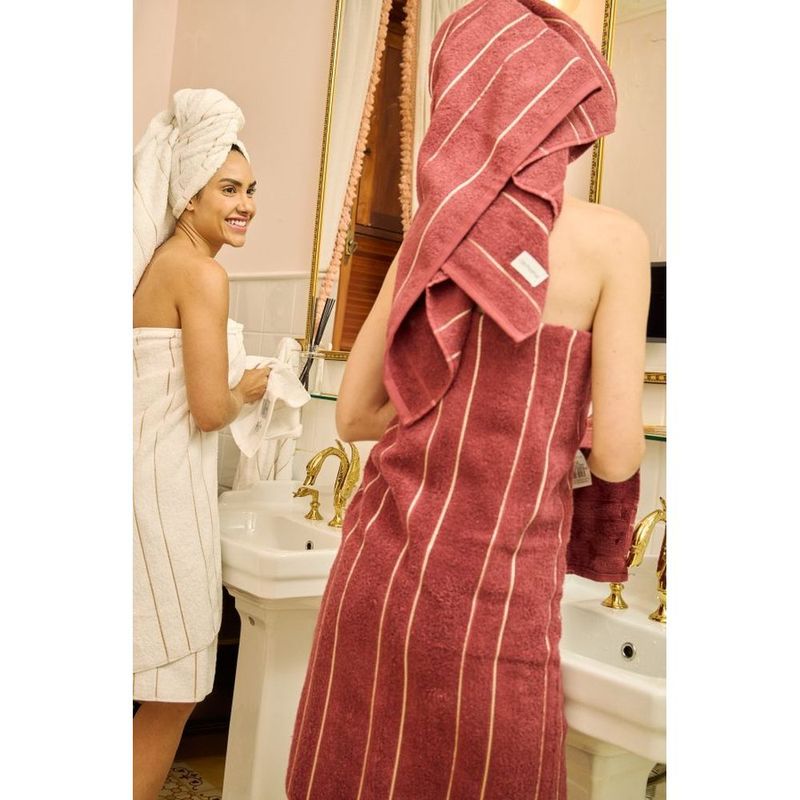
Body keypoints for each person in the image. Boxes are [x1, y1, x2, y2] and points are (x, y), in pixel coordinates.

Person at [285, 1, 648, 797]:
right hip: (497, 598)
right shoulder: (616, 243)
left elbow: (354, 415)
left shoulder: (433, 235)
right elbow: (618, 456)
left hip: (378, 582)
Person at [132, 88, 269, 800]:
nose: (245, 204)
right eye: (228, 189)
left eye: (250, 190)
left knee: (153, 686)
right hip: (164, 498)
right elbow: (211, 409)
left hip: (139, 484)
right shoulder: (203, 273)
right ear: (188, 195)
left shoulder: (156, 265)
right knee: (177, 689)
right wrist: (248, 387)